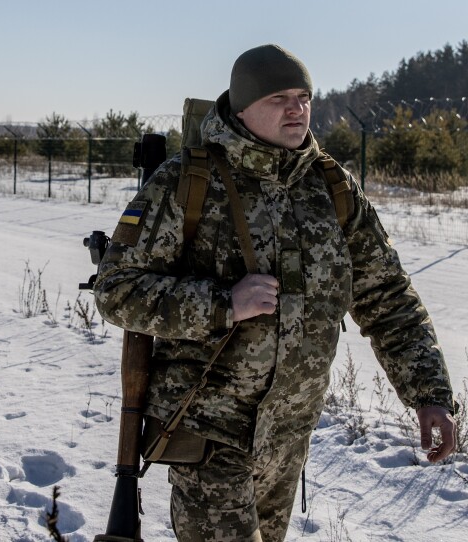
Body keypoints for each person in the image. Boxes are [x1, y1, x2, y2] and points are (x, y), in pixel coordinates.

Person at [93, 44, 457, 542]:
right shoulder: (189, 181)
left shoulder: (332, 189)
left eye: (304, 96)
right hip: (207, 428)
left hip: (287, 437)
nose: (297, 108)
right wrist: (224, 304)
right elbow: (117, 289)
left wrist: (429, 394)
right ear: (242, 108)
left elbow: (388, 298)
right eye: (279, 97)